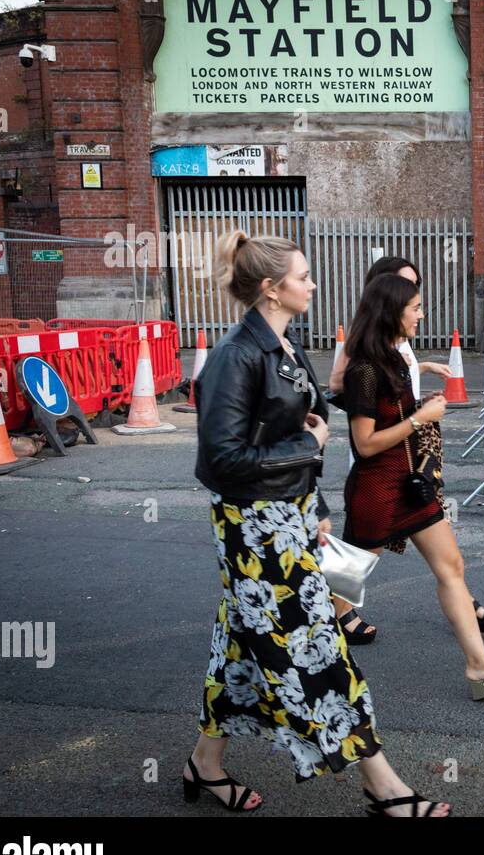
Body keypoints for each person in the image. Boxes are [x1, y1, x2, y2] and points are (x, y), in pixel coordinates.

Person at [188, 230, 450, 817]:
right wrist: (307, 446)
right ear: (270, 288)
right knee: (317, 647)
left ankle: (204, 765)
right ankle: (381, 785)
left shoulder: (284, 342)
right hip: (254, 527)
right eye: (303, 276)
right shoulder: (237, 353)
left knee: (239, 647)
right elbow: (220, 459)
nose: (312, 284)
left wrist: (318, 506)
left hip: (290, 513)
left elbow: (296, 421)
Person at [342, 274, 484, 701]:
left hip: (413, 489)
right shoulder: (365, 370)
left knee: (452, 569)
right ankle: (295, 664)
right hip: (376, 493)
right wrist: (419, 420)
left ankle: (479, 666)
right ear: (393, 312)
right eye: (416, 308)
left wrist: (421, 408)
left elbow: (398, 421)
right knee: (339, 593)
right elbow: (365, 444)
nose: (422, 315)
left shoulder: (394, 358)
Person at [329, 257, 484, 638]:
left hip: (412, 457)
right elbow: (350, 399)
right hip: (381, 466)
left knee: (447, 561)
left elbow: (400, 377)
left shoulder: (398, 344)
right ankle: (331, 616)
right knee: (361, 552)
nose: (420, 309)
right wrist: (414, 416)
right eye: (413, 300)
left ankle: (472, 636)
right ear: (387, 299)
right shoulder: (366, 358)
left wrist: (420, 373)